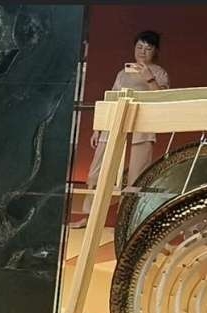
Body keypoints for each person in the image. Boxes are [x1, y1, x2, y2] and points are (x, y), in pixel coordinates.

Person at [72, 30, 170, 227]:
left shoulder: (159, 73)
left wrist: (149, 78)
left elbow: (163, 100)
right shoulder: (122, 73)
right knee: (97, 171)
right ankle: (90, 217)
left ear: (155, 51)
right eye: (139, 47)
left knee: (137, 177)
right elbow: (111, 98)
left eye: (148, 48)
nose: (142, 52)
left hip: (143, 127)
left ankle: (129, 221)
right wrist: (98, 128)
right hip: (114, 124)